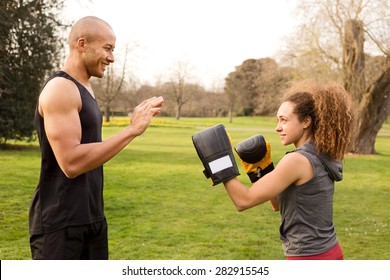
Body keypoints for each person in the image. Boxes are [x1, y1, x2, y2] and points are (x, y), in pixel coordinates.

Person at [29, 16, 164, 260]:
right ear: (82, 44)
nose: (112, 57)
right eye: (107, 48)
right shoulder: (60, 88)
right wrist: (131, 130)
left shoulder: (85, 88)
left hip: (92, 218)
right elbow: (71, 163)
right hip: (61, 224)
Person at [223, 80, 354, 259]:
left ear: (306, 121)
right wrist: (262, 170)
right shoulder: (320, 153)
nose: (278, 127)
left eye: (284, 120)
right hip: (329, 250)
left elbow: (243, 201)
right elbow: (277, 204)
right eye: (278, 120)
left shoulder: (297, 160)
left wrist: (219, 162)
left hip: (309, 258)